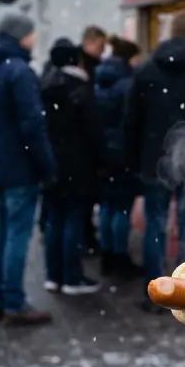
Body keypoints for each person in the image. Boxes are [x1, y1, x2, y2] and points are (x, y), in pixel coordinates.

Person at [124, 9, 185, 312]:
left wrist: (132, 160)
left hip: (154, 160)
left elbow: (131, 119)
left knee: (154, 227)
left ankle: (156, 293)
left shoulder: (147, 69)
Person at [0, 10, 56, 325]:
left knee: (0, 232)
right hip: (19, 167)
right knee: (17, 236)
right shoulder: (20, 71)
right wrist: (47, 166)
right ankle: (13, 302)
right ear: (20, 35)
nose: (34, 38)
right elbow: (32, 126)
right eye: (31, 33)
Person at [40, 37, 105, 295]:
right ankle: (72, 277)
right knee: (74, 220)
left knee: (54, 219)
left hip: (51, 164)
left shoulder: (44, 86)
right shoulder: (80, 89)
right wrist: (103, 161)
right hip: (78, 166)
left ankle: (52, 275)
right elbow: (93, 132)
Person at [95, 35, 142, 278]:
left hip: (102, 151)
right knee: (122, 206)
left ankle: (106, 252)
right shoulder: (128, 85)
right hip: (122, 152)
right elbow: (132, 122)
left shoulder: (99, 78)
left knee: (107, 205)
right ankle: (120, 255)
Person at [79, 25, 108, 254]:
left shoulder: (93, 67)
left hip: (82, 146)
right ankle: (85, 238)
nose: (102, 50)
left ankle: (86, 237)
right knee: (83, 202)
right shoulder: (87, 68)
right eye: (100, 45)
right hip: (83, 147)